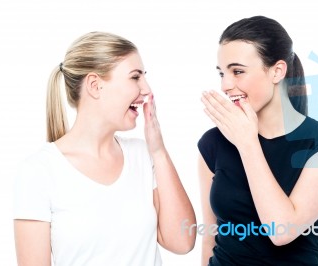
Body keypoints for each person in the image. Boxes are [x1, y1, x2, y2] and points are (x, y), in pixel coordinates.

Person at [13, 31, 196, 266]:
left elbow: (182, 242)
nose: (147, 89)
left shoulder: (143, 155)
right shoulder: (38, 171)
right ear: (95, 85)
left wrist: (159, 151)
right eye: (135, 77)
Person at [198, 16, 318, 265]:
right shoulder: (213, 142)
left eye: (237, 71)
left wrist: (247, 143)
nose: (226, 85)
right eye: (222, 73)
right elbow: (210, 237)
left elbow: (281, 231)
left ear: (277, 71)